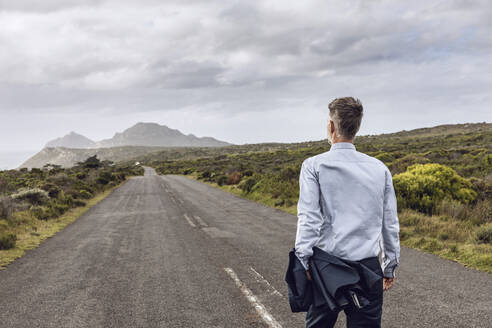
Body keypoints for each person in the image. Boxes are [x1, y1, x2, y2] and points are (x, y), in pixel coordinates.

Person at [294, 97, 400, 328]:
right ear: (357, 127)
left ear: (331, 126)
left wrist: (301, 262)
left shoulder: (313, 166)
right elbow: (389, 223)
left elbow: (309, 219)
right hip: (368, 270)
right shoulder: (379, 169)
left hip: (326, 270)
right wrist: (389, 265)